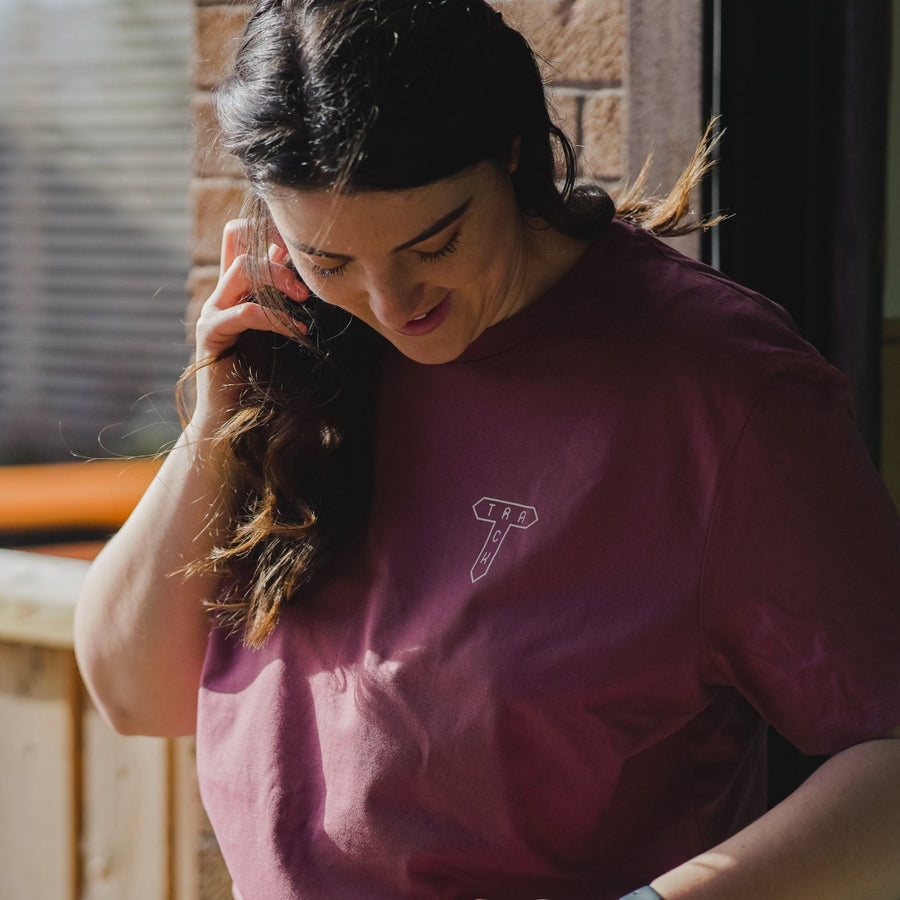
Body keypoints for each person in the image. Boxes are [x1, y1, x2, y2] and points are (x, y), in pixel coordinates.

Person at [74, 1, 900, 898]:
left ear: (513, 150)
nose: (391, 305)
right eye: (331, 259)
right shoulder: (301, 347)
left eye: (434, 242)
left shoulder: (723, 394)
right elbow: (135, 693)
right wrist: (215, 423)